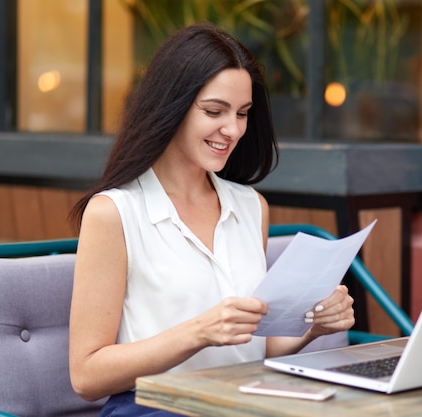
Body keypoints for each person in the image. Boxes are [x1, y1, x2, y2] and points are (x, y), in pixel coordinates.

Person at [68, 23, 355, 416]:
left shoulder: (251, 206)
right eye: (214, 111)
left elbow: (261, 347)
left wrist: (314, 326)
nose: (233, 129)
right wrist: (198, 332)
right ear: (172, 106)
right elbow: (86, 376)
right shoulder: (114, 212)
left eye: (243, 113)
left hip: (244, 402)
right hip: (158, 407)